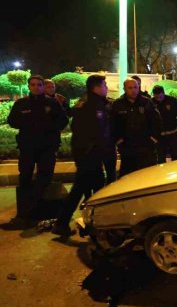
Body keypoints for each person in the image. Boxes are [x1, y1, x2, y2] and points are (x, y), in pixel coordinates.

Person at [52, 75, 113, 236]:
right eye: (104, 85)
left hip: (90, 153)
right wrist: (95, 149)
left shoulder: (92, 101)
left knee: (97, 186)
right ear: (97, 87)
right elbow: (90, 131)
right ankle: (62, 222)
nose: (106, 87)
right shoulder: (91, 104)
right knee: (81, 188)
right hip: (89, 154)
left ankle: (95, 221)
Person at [8, 75, 68, 219]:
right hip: (28, 146)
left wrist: (49, 128)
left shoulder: (52, 103)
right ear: (29, 87)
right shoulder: (21, 104)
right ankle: (26, 212)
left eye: (39, 85)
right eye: (33, 85)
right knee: (25, 176)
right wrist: (27, 124)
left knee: (45, 177)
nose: (36, 87)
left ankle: (43, 211)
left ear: (43, 87)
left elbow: (63, 120)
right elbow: (12, 121)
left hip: (47, 147)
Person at [111, 78, 162, 176]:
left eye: (135, 87)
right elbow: (113, 124)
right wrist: (118, 141)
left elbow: (156, 122)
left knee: (147, 176)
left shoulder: (147, 102)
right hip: (127, 148)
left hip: (146, 148)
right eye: (130, 88)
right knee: (127, 177)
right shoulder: (118, 104)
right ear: (124, 89)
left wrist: (153, 139)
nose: (133, 90)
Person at [152, 85, 177, 163]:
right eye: (156, 97)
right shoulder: (151, 102)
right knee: (160, 157)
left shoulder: (172, 101)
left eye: (160, 97)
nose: (158, 99)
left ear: (163, 93)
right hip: (159, 136)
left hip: (173, 133)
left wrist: (176, 122)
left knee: (175, 156)